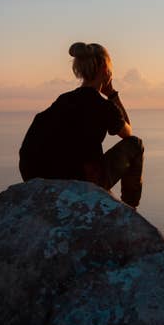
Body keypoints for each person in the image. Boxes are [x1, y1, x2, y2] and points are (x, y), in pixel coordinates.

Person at [19, 42, 144, 208]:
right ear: (104, 69)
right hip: (84, 184)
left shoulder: (63, 100)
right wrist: (112, 95)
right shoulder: (103, 106)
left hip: (46, 181)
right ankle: (130, 208)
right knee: (136, 144)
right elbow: (128, 133)